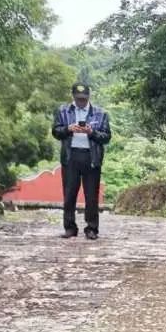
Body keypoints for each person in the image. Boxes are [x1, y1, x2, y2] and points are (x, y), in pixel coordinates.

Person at [51, 83, 111, 240]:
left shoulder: (100, 113)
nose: (81, 102)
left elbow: (106, 137)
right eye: (78, 99)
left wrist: (91, 132)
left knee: (91, 196)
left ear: (89, 97)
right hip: (71, 157)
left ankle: (91, 228)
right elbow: (56, 132)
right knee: (69, 194)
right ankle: (70, 228)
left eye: (84, 99)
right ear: (73, 97)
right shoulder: (63, 111)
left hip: (92, 157)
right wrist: (68, 129)